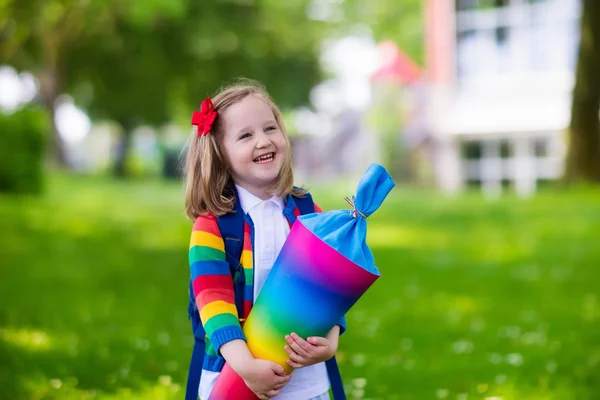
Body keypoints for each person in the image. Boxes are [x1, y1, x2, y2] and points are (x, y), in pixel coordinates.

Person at [184, 79, 345, 400]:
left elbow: (329, 288)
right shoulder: (213, 225)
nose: (263, 141)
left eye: (270, 128)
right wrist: (246, 367)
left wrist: (330, 342)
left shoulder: (308, 212)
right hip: (235, 379)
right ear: (220, 153)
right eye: (245, 135)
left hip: (306, 385)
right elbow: (213, 303)